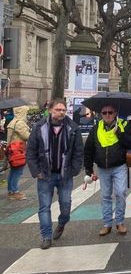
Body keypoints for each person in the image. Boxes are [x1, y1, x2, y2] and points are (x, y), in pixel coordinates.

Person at [26, 99, 83, 249]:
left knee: (65, 205)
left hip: (65, 175)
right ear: (50, 110)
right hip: (45, 175)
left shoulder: (73, 128)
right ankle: (46, 236)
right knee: (44, 207)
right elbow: (31, 151)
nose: (61, 112)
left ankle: (62, 222)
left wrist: (75, 169)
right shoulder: (39, 127)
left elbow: (78, 152)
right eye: (58, 109)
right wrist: (36, 171)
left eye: (63, 110)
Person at [84, 104, 131, 236]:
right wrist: (88, 169)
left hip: (119, 166)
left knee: (120, 193)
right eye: (104, 113)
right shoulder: (96, 128)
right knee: (105, 196)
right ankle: (107, 224)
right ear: (100, 114)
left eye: (110, 112)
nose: (107, 115)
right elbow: (89, 149)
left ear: (115, 113)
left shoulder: (124, 125)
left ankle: (120, 222)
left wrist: (120, 134)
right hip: (103, 168)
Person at [6, 105, 31, 200]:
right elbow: (26, 136)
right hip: (18, 151)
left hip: (13, 151)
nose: (27, 114)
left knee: (13, 171)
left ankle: (11, 190)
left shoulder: (13, 122)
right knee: (18, 172)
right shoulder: (19, 123)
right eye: (26, 112)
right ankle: (14, 191)